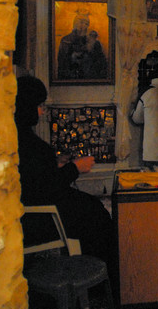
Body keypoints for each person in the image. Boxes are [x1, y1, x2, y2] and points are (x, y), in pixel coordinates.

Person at [15, 76, 115, 276]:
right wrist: (75, 168)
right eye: (39, 105)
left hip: (43, 208)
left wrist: (57, 163)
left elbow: (39, 175)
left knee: (95, 210)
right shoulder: (24, 140)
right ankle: (98, 277)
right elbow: (46, 187)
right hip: (43, 218)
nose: (42, 111)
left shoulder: (20, 135)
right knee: (97, 216)